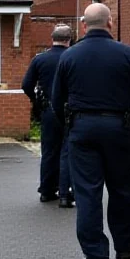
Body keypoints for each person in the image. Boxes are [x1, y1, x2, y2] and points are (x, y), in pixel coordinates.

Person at [51, 3, 130, 259]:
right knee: (124, 190)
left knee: (87, 193)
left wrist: (71, 126)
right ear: (110, 23)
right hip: (119, 129)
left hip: (82, 130)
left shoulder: (69, 57)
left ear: (84, 25)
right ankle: (125, 245)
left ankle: (96, 256)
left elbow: (55, 100)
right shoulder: (128, 54)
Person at [21, 24, 74, 207]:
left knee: (49, 151)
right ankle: (65, 192)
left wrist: (37, 101)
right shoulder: (72, 57)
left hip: (48, 111)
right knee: (67, 151)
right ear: (69, 39)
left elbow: (26, 84)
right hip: (70, 111)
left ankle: (46, 190)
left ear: (52, 38)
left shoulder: (40, 59)